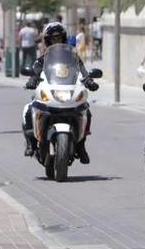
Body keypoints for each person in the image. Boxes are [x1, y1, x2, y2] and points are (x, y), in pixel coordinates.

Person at [22, 23, 99, 163]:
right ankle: (30, 144)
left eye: (58, 38)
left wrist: (89, 81)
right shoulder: (44, 58)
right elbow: (36, 69)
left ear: (63, 38)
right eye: (53, 39)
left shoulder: (73, 58)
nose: (56, 41)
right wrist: (32, 79)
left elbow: (83, 71)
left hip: (69, 93)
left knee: (86, 110)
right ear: (48, 40)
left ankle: (81, 145)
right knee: (29, 109)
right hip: (50, 92)